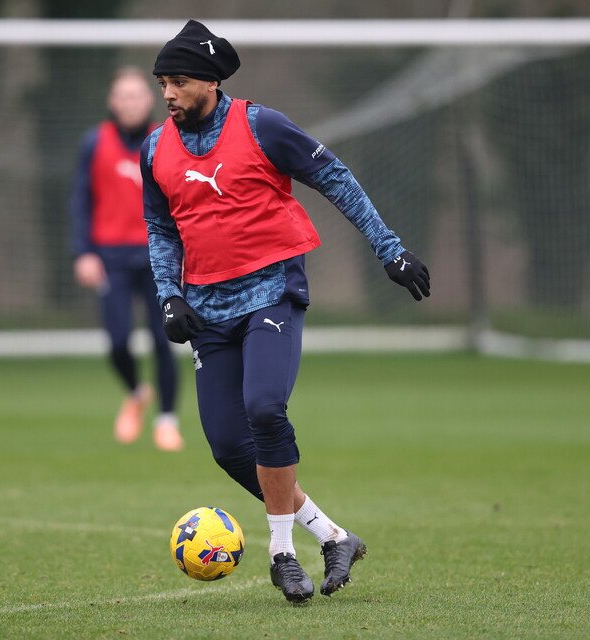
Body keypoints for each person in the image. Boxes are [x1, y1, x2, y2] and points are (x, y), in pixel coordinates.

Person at [142, 20, 430, 603]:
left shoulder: (262, 126)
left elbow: (336, 179)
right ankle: (334, 537)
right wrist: (169, 295)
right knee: (228, 447)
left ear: (211, 81)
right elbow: (160, 228)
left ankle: (282, 555)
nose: (168, 93)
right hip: (206, 308)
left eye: (178, 82)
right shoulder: (153, 148)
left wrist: (390, 250)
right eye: (162, 83)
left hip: (271, 290)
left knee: (265, 407)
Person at [70, 67, 183, 451]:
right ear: (112, 102)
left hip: (157, 254)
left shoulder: (166, 138)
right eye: (123, 96)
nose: (130, 103)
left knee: (163, 338)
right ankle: (136, 392)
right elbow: (81, 200)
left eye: (137, 95)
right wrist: (84, 252)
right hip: (111, 257)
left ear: (150, 100)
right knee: (118, 342)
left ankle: (167, 420)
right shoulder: (94, 142)